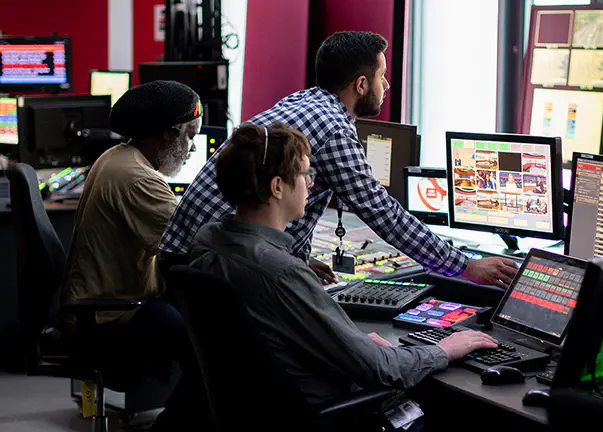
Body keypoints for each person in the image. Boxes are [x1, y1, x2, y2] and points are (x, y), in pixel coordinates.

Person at [160, 31, 517, 289]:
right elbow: (382, 212)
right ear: (361, 85)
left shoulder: (302, 102)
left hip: (190, 261)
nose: (387, 85)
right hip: (223, 270)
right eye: (381, 76)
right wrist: (466, 266)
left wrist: (296, 262)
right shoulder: (332, 128)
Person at [188, 122, 498, 412]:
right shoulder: (282, 272)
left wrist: (357, 345)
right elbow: (381, 370)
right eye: (305, 174)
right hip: (331, 411)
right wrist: (444, 349)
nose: (311, 183)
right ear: (277, 187)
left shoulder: (209, 240)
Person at [57, 80, 211, 431]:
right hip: (109, 319)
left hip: (99, 309)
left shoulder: (118, 158)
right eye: (190, 135)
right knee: (213, 350)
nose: (191, 147)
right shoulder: (137, 179)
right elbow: (196, 239)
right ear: (168, 134)